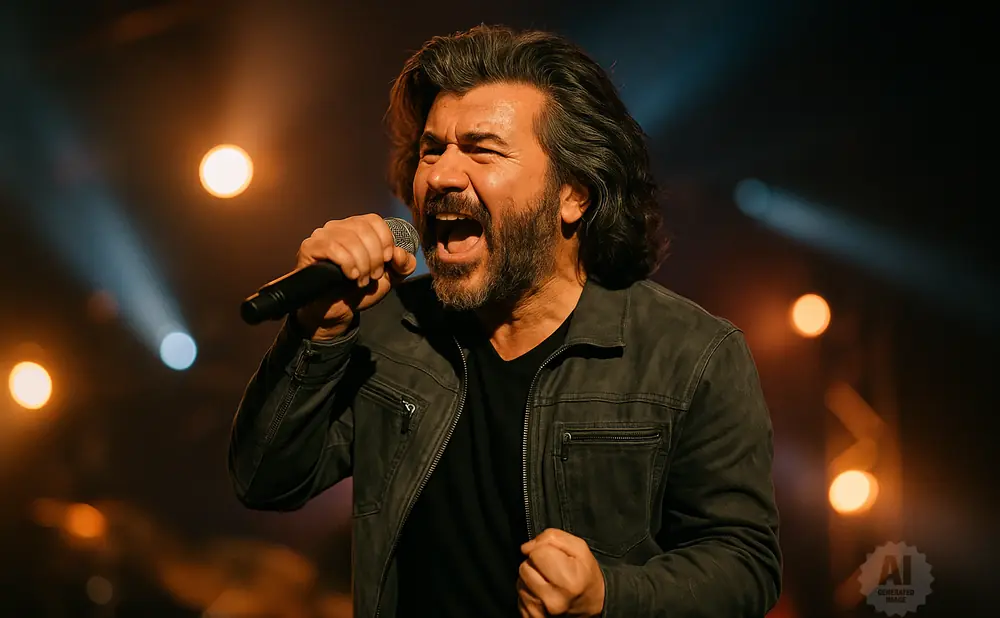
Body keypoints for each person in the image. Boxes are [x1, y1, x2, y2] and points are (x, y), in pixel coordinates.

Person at [229, 24, 781, 618]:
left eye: (482, 150)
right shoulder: (388, 331)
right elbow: (266, 479)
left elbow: (744, 565)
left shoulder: (689, 353)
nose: (440, 175)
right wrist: (320, 326)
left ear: (573, 195)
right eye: (432, 150)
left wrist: (609, 596)